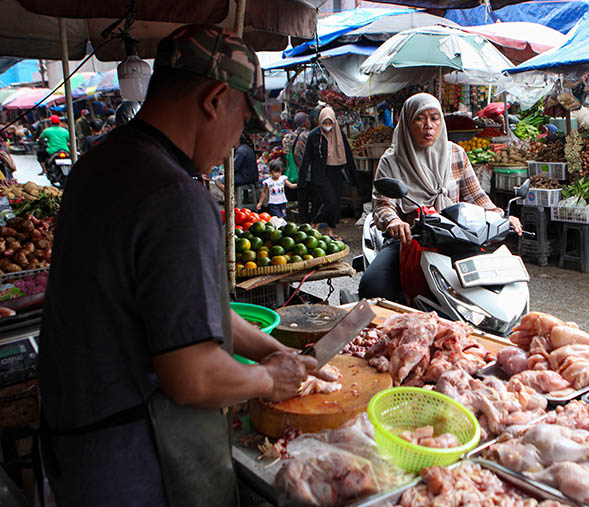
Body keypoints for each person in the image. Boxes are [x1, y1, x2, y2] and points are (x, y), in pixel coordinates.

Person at [38, 24, 321, 507]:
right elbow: (193, 375)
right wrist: (269, 379)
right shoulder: (176, 197)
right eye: (244, 123)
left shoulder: (102, 162)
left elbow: (190, 309)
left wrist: (276, 349)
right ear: (214, 100)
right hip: (134, 460)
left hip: (75, 441)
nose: (237, 142)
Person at [358, 93, 523, 302]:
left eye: (434, 118)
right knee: (372, 287)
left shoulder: (456, 154)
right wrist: (394, 222)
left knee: (493, 289)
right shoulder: (391, 161)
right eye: (420, 118)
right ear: (407, 122)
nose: (428, 125)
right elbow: (382, 205)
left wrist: (500, 216)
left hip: (456, 239)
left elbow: (477, 196)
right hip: (409, 241)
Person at [297, 107, 357, 237]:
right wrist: (301, 181)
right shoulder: (314, 135)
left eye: (330, 123)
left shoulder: (339, 134)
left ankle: (330, 231)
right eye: (325, 123)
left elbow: (348, 155)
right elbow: (306, 158)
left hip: (336, 171)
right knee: (330, 201)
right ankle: (315, 223)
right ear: (320, 121)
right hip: (320, 174)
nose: (327, 126)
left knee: (335, 203)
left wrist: (353, 176)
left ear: (334, 122)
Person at [234, 132, 259, 207]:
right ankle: (244, 199)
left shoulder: (240, 151)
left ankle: (233, 198)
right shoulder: (247, 148)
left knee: (218, 180)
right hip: (252, 177)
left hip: (245, 178)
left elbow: (234, 167)